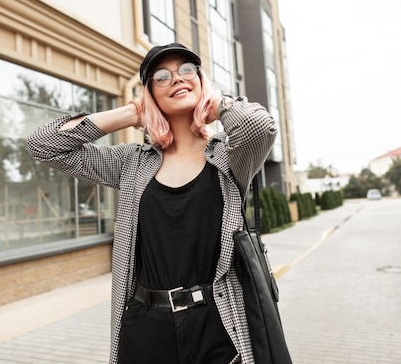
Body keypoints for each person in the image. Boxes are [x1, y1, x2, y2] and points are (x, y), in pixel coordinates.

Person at [26, 43, 277, 364]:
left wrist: (216, 104)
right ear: (150, 93)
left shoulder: (229, 157)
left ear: (201, 81)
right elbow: (44, 145)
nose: (176, 79)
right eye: (161, 76)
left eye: (187, 70)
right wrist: (133, 113)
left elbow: (260, 127)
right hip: (145, 323)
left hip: (217, 322)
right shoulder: (132, 162)